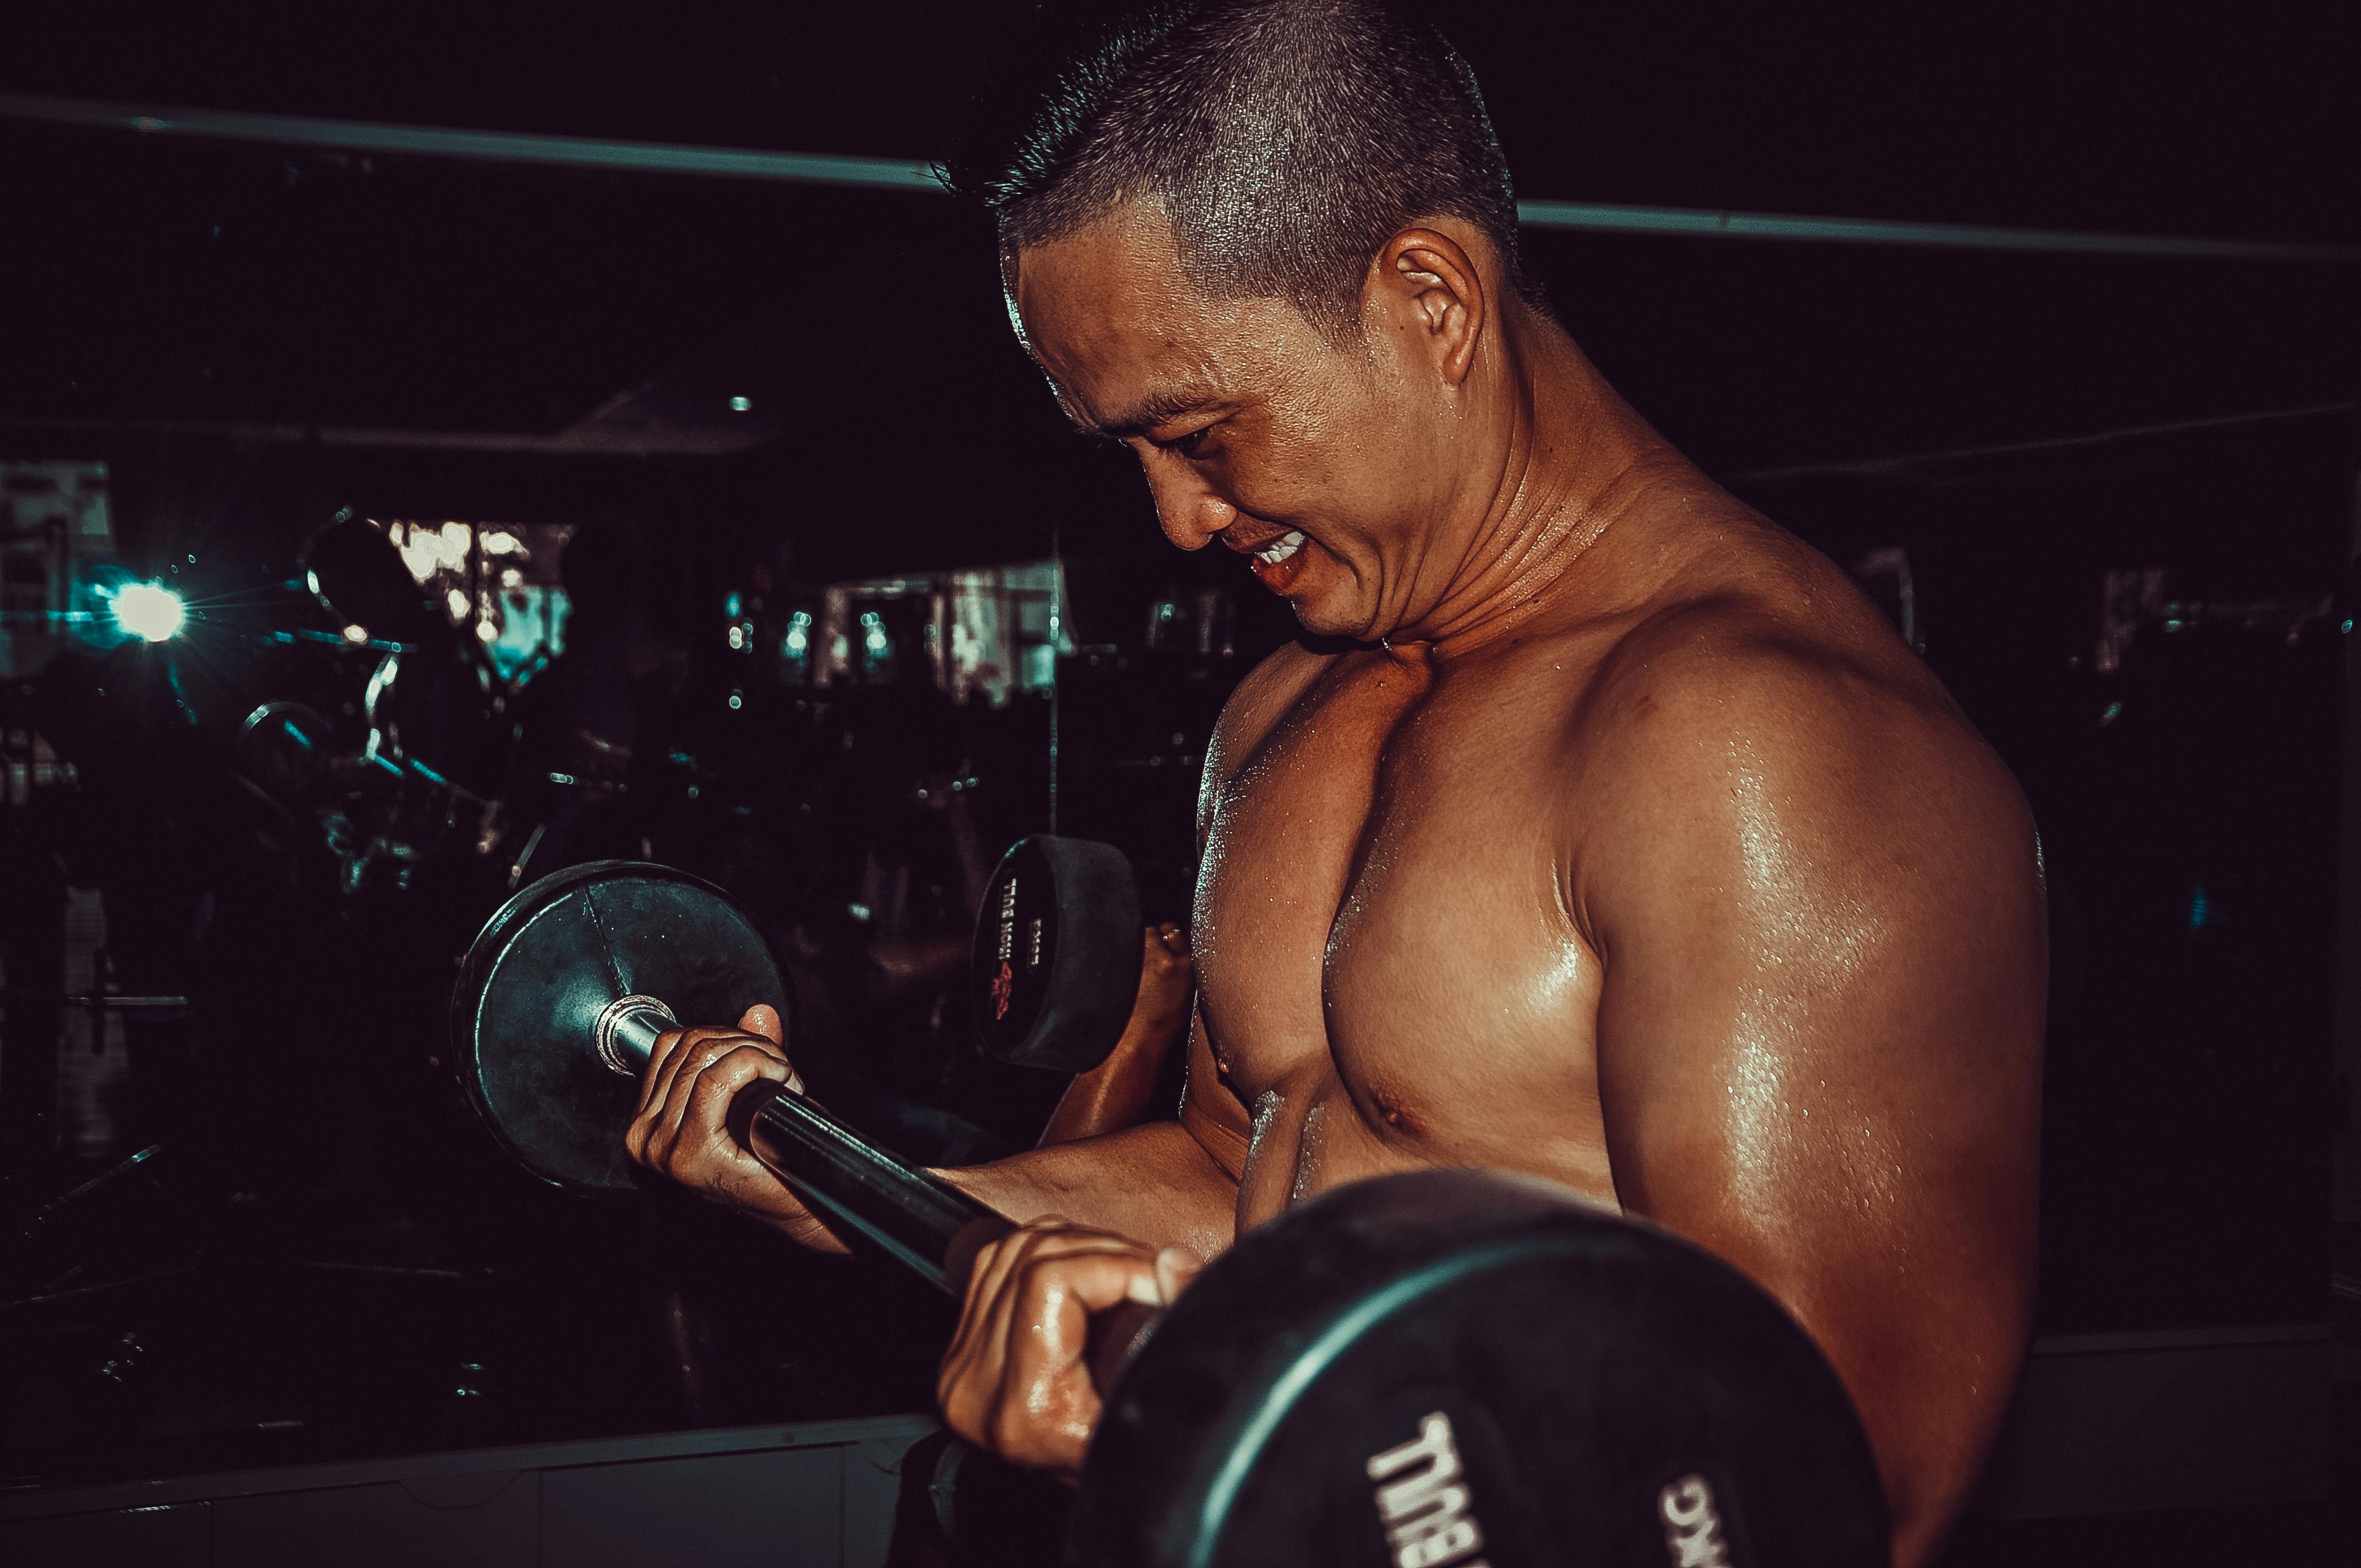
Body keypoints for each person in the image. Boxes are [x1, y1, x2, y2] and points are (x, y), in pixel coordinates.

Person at [626, 4, 2044, 1562]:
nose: (1175, 518)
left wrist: (1253, 1437)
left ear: (1429, 299)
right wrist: (858, 1196)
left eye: (1202, 431)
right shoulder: (1288, 711)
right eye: (1132, 454)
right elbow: (1247, 1177)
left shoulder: (1759, 751)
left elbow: (1831, 1486)